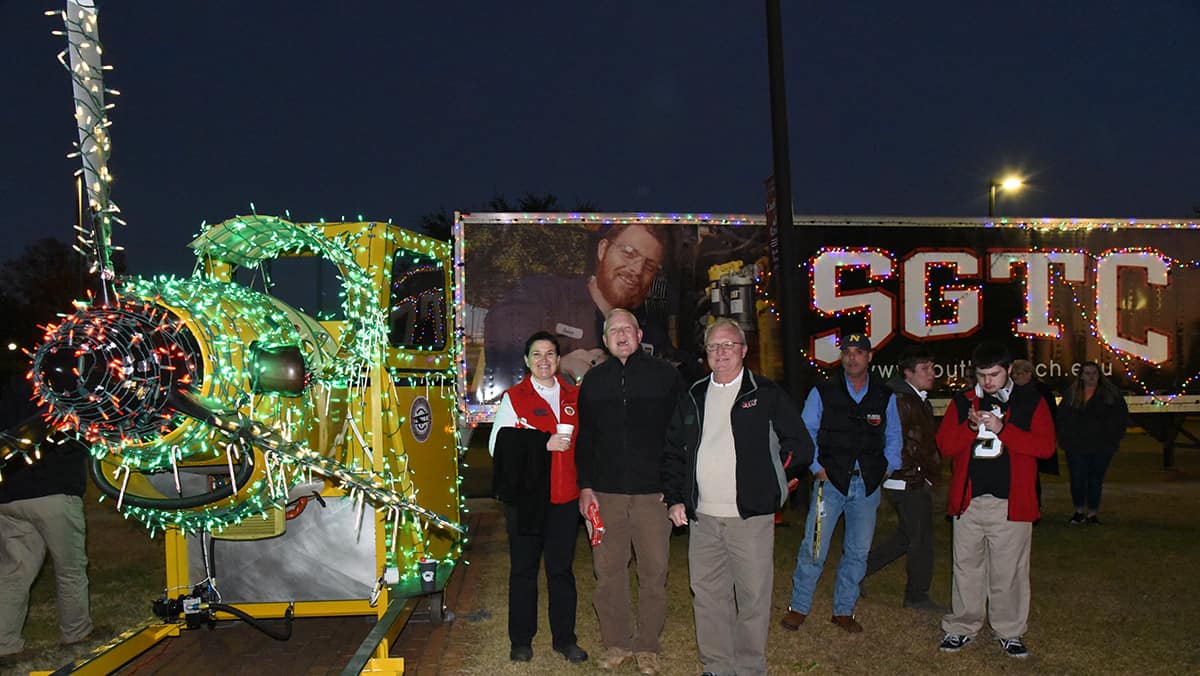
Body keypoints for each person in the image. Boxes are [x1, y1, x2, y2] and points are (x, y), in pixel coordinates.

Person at [662, 318, 812, 676]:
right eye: (714, 347)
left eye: (729, 345)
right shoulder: (694, 394)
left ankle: (749, 667)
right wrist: (675, 498)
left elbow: (801, 446)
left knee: (753, 597)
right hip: (703, 518)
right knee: (709, 596)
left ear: (744, 351)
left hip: (751, 517)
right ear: (706, 354)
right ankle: (717, 665)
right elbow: (673, 451)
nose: (721, 353)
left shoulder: (766, 393)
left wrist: (777, 483)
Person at [575, 309, 685, 675]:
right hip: (606, 495)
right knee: (608, 572)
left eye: (627, 329)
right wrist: (586, 487)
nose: (621, 335)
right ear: (604, 340)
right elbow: (585, 439)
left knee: (654, 572)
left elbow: (680, 437)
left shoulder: (665, 377)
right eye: (612, 331)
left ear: (639, 335)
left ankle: (648, 645)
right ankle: (617, 642)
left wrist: (673, 489)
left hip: (653, 496)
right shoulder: (592, 381)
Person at [936, 341, 1054, 659]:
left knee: (1009, 572)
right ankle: (962, 626)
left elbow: (1045, 448)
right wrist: (970, 427)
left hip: (1010, 502)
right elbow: (945, 446)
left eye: (994, 374)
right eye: (982, 375)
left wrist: (1004, 429)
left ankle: (1009, 631)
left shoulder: (1030, 400)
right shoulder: (963, 402)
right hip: (969, 501)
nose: (988, 382)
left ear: (1008, 371)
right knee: (966, 568)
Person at [781, 333, 901, 634]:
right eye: (847, 352)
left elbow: (894, 437)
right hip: (830, 482)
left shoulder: (885, 396)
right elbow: (806, 430)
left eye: (859, 352)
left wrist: (886, 469)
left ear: (869, 357)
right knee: (815, 547)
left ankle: (844, 609)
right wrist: (817, 468)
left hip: (867, 485)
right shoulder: (823, 392)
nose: (852, 358)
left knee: (858, 550)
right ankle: (798, 607)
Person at [488, 331, 588, 663]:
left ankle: (564, 638)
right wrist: (540, 444)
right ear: (526, 361)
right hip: (527, 501)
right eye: (536, 355)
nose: (543, 360)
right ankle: (521, 640)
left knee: (561, 571)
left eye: (549, 354)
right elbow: (495, 447)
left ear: (558, 360)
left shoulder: (574, 396)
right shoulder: (514, 397)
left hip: (565, 499)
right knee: (524, 570)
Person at [483, 223, 675, 393]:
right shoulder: (543, 296)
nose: (637, 270)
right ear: (603, 250)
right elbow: (505, 357)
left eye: (649, 266)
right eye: (628, 252)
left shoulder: (650, 331)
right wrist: (556, 368)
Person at [0, 375, 94, 664]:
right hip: (54, 492)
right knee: (70, 569)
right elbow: (76, 444)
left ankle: (5, 644)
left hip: (9, 494)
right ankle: (76, 634)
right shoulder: (64, 395)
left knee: (14, 572)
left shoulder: (8, 393)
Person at [863, 347, 943, 611]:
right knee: (920, 540)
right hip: (907, 479)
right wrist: (916, 473)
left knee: (907, 535)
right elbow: (898, 442)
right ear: (908, 373)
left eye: (932, 367)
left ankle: (856, 572)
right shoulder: (900, 399)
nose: (931, 373)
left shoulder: (913, 397)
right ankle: (916, 595)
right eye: (925, 368)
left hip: (908, 478)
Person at [1056, 361, 1128, 525]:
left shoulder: (1111, 394)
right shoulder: (1072, 394)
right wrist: (1065, 439)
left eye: (1094, 373)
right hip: (1076, 446)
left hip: (1101, 446)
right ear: (1081, 375)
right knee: (1077, 478)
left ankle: (1093, 513)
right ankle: (1079, 511)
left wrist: (1113, 440)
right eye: (1087, 373)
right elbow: (1061, 418)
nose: (1091, 377)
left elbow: (1120, 419)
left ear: (1099, 375)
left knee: (1095, 480)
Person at [1009, 359, 1060, 516]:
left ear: (1029, 374)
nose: (1016, 377)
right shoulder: (1010, 391)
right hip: (1019, 440)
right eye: (1014, 374)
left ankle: (1035, 506)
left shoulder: (1041, 391)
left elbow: (1051, 416)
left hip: (1036, 439)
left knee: (1033, 475)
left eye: (1019, 373)